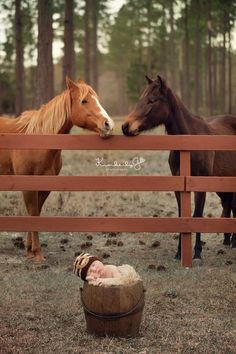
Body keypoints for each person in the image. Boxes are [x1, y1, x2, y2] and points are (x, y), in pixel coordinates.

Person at [73, 252, 141, 286]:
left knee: (129, 279)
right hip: (108, 298)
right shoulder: (94, 280)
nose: (94, 269)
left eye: (93, 265)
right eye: (90, 271)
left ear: (99, 261)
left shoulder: (111, 269)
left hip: (123, 285)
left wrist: (100, 280)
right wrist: (91, 281)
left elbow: (120, 281)